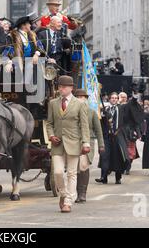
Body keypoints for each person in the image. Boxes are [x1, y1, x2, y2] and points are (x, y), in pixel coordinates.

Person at [46, 76, 90, 213]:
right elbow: (49, 123)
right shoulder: (53, 103)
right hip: (57, 143)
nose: (61, 89)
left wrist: (86, 143)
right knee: (58, 172)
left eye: (64, 87)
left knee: (71, 173)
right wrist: (51, 135)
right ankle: (64, 194)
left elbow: (84, 125)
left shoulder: (79, 104)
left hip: (74, 143)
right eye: (59, 87)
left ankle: (68, 202)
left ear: (71, 88)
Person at [74, 89, 104, 203]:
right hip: (74, 142)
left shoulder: (92, 112)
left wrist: (101, 145)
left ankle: (83, 194)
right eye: (79, 97)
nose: (82, 99)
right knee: (75, 169)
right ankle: (77, 194)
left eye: (84, 97)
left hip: (88, 143)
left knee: (83, 167)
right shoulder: (72, 112)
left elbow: (98, 130)